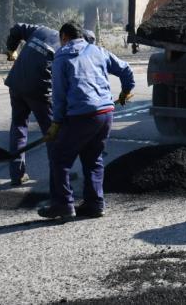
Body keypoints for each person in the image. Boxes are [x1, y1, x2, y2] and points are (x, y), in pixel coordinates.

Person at [37, 21, 135, 220]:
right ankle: (95, 204)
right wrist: (125, 91)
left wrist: (56, 123)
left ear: (64, 36)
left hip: (82, 115)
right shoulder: (98, 51)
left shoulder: (61, 57)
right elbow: (126, 70)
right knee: (93, 159)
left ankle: (63, 204)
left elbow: (59, 95)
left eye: (60, 39)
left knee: (59, 158)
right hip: (105, 113)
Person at [3, 23, 61, 186]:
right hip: (39, 92)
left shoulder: (41, 30)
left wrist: (11, 49)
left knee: (19, 126)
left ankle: (17, 174)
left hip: (17, 84)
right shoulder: (68, 48)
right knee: (52, 132)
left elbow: (15, 28)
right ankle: (58, 176)